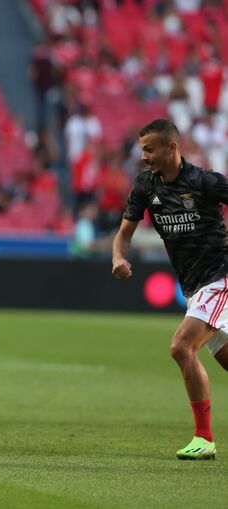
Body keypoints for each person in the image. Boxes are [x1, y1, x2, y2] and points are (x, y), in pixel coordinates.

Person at [112, 118, 228, 461]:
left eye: (150, 149)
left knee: (181, 347)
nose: (144, 156)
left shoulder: (204, 182)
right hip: (194, 286)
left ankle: (203, 438)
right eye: (142, 149)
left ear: (172, 147)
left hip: (220, 277)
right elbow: (124, 233)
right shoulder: (146, 185)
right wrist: (118, 257)